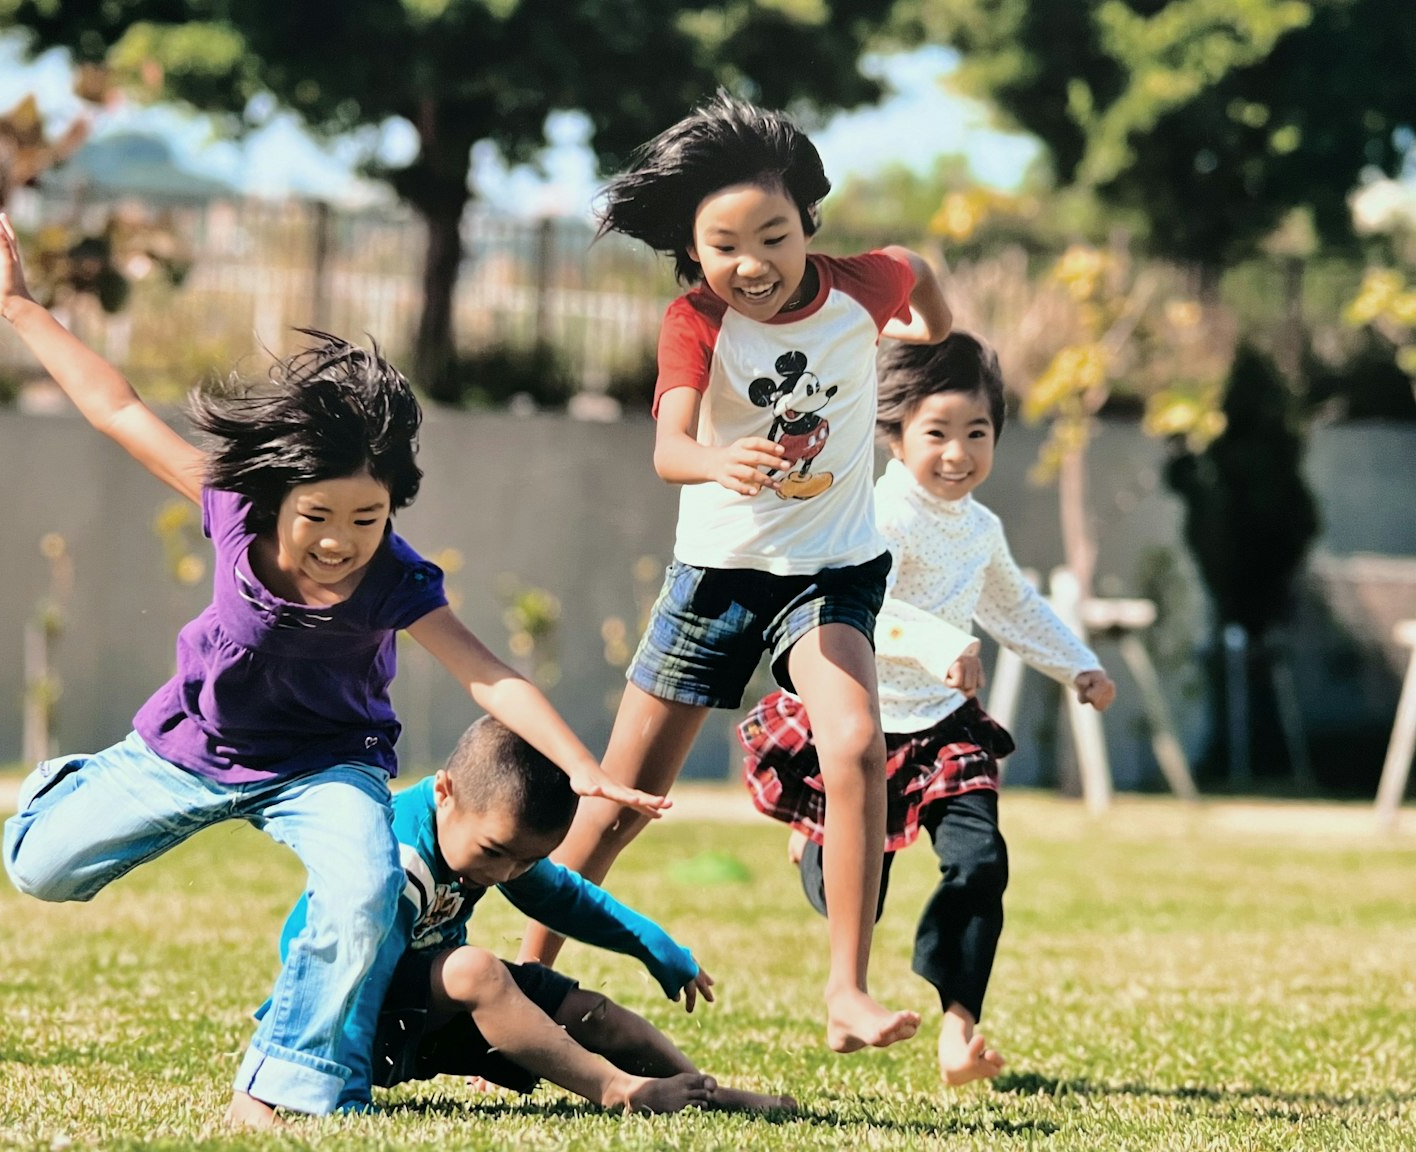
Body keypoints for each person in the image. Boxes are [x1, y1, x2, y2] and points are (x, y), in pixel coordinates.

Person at [0, 207, 667, 1129]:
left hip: (326, 762)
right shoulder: (232, 510)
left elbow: (489, 674)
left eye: (367, 519)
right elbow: (116, 409)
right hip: (191, 750)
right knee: (40, 870)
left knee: (363, 890)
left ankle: (278, 1087)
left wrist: (583, 768)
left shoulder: (393, 580)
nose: (341, 543)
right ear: (277, 502)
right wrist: (23, 310)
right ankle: (69, 786)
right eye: (319, 519)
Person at [518, 94, 955, 1056]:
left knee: (853, 748)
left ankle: (846, 989)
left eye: (773, 234)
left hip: (831, 573)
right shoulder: (695, 321)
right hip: (717, 579)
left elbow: (919, 271)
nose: (752, 262)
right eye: (724, 246)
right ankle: (523, 985)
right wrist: (721, 460)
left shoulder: (863, 287)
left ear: (808, 225)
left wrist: (938, 341)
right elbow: (671, 447)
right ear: (693, 251)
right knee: (618, 806)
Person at [740, 331, 1118, 1086]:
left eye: (977, 433)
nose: (958, 453)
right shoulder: (879, 515)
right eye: (937, 433)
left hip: (945, 724)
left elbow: (1013, 603)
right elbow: (861, 614)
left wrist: (1078, 663)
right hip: (863, 720)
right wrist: (942, 639)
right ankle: (812, 837)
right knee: (852, 894)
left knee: (981, 862)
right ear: (894, 437)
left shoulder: (982, 529)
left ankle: (960, 1030)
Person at [271, 715, 796, 1115]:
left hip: (426, 1006)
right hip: (343, 1017)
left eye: (528, 859)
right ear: (444, 792)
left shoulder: (496, 847)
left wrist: (654, 947)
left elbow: (566, 899)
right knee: (474, 969)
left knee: (596, 1015)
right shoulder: (398, 862)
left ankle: (708, 1093)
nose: (506, 873)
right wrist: (348, 1092)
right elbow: (353, 983)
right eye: (496, 852)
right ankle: (616, 1090)